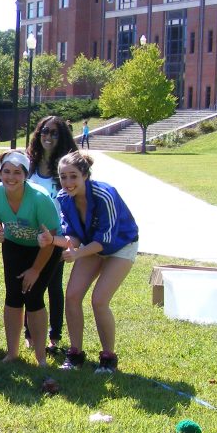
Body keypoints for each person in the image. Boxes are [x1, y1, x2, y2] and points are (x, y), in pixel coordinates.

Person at [42, 151, 138, 373]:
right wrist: (53, 240)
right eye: (63, 177)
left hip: (120, 246)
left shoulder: (105, 194)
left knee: (99, 300)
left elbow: (105, 240)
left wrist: (76, 254)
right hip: (90, 246)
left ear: (85, 175)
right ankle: (75, 354)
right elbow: (74, 235)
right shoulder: (64, 199)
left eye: (73, 176)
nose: (68, 182)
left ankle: (108, 358)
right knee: (73, 296)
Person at [0, 151, 63, 366]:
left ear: (26, 175)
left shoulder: (40, 198)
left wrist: (35, 270)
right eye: (6, 171)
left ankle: (40, 356)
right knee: (13, 297)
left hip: (45, 248)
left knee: (34, 296)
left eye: (17, 173)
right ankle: (12, 353)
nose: (11, 177)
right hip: (14, 246)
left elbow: (51, 238)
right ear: (0, 173)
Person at [25, 115, 78, 355]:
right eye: (44, 131)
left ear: (62, 136)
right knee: (29, 282)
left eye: (54, 132)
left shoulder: (66, 168)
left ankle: (54, 336)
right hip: (30, 236)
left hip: (56, 236)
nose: (48, 136)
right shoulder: (31, 165)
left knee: (53, 285)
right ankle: (29, 333)